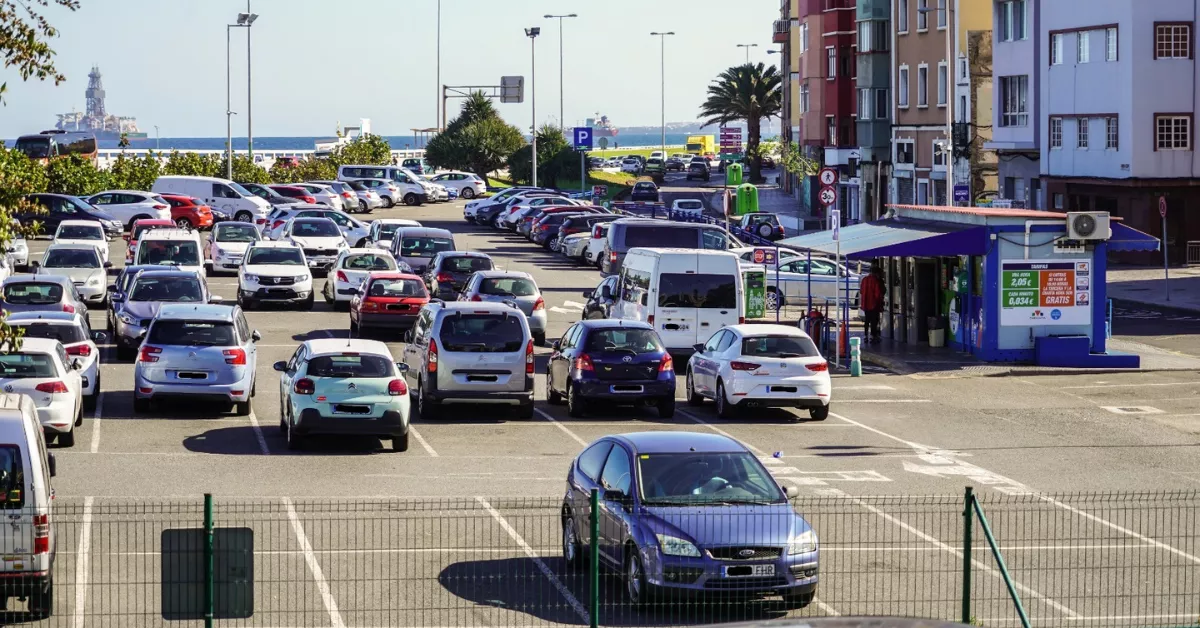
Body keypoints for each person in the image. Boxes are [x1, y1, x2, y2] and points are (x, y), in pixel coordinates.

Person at [860, 265, 885, 343]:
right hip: (874, 304)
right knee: (874, 321)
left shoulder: (864, 280)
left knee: (867, 320)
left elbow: (861, 291)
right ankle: (873, 336)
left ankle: (865, 336)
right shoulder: (875, 281)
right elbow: (878, 294)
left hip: (865, 304)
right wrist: (881, 302)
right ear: (876, 273)